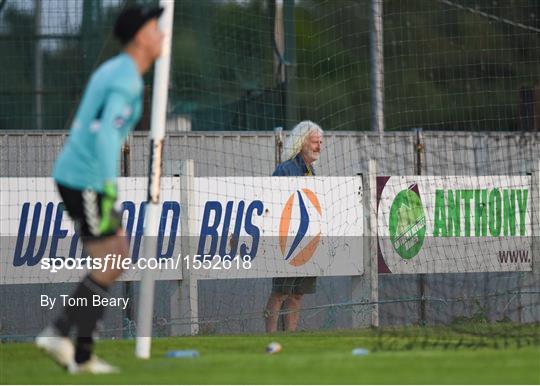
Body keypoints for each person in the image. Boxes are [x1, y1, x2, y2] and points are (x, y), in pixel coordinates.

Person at [35, 5, 164, 374]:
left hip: (80, 175)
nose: (162, 35)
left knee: (112, 258)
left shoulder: (119, 71)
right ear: (141, 36)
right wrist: (110, 194)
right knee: (114, 258)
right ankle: (59, 333)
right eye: (156, 28)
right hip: (86, 178)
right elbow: (107, 136)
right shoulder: (126, 78)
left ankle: (81, 353)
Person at [264, 120, 324, 332]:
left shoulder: (311, 171)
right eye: (315, 142)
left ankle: (291, 336)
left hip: (307, 241)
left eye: (320, 142)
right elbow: (271, 203)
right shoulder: (285, 169)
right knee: (280, 292)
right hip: (287, 241)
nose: (319, 146)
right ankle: (269, 335)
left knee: (298, 293)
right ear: (301, 142)